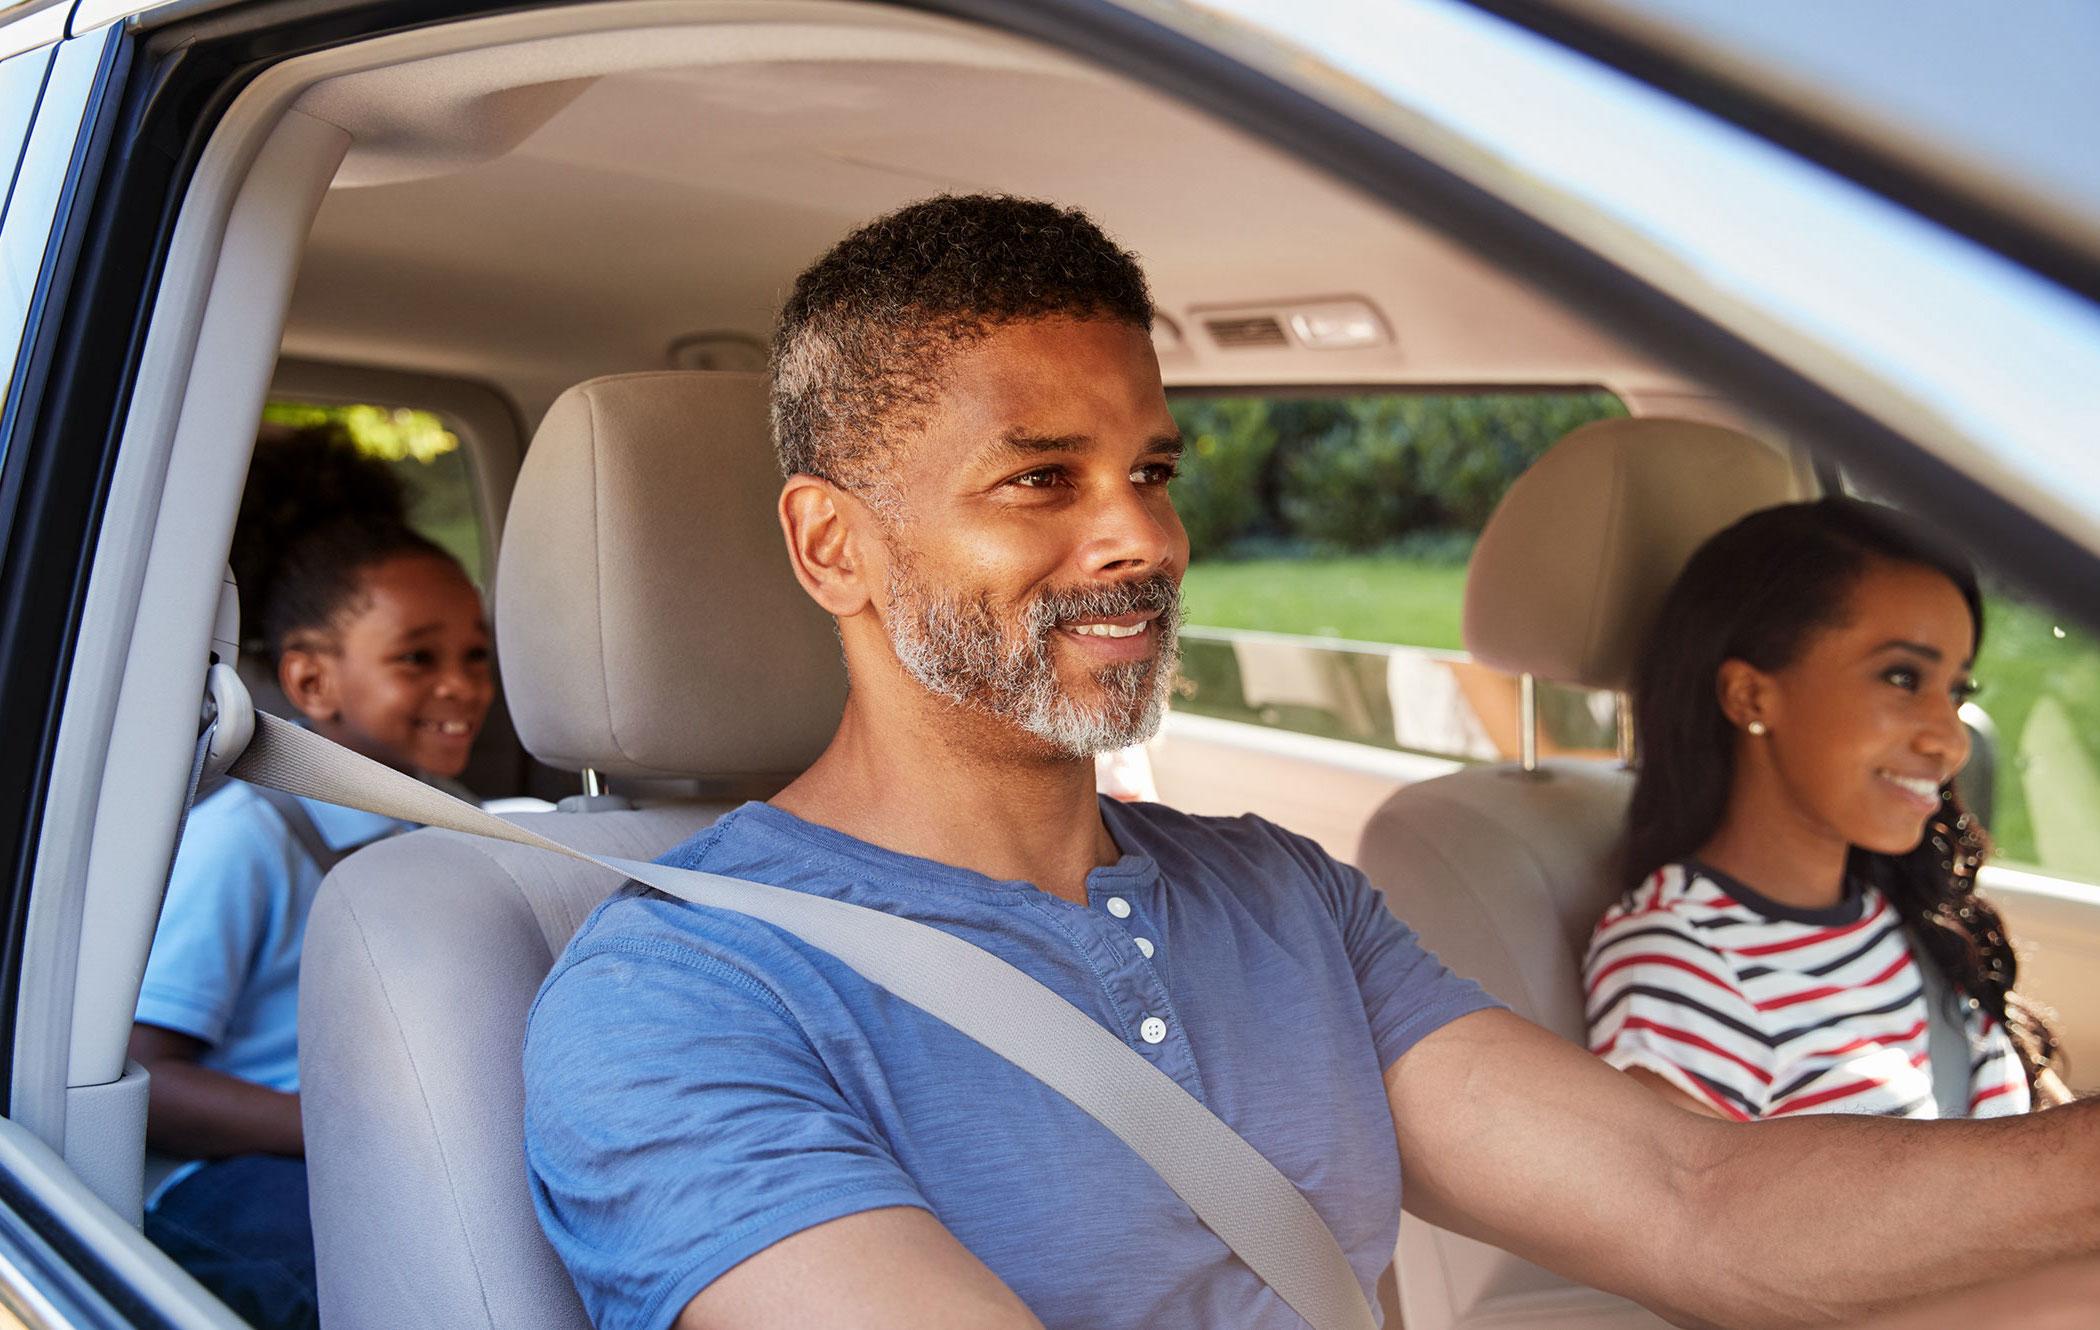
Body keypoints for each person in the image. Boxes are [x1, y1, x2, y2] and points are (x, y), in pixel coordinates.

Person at [522, 195, 2100, 1330]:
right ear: (834, 548)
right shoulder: (680, 993)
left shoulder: (1283, 896)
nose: (1142, 533)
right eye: (1039, 479)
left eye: (1150, 467)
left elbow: (1694, 1199)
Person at [132, 429, 496, 1330]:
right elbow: (144, 1071)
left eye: (476, 655)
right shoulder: (251, 838)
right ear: (309, 679)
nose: (462, 686)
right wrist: (333, 1131)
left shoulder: (451, 818)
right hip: (232, 1175)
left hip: (397, 1151)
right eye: (419, 658)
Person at [1588, 498, 2070, 1121]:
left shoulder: (1901, 913)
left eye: (1955, 692)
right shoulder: (1680, 967)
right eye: (1902, 679)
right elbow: (1693, 1215)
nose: (1950, 741)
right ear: (1750, 695)